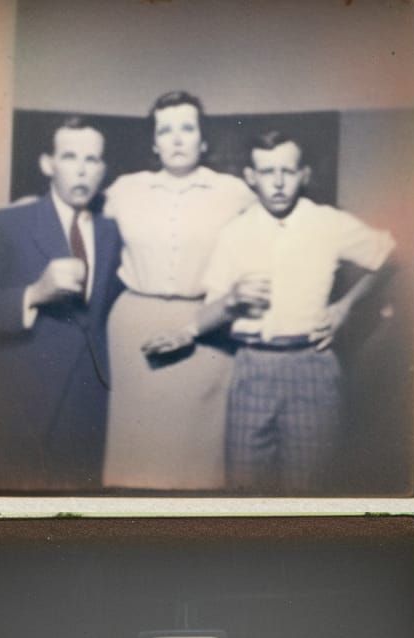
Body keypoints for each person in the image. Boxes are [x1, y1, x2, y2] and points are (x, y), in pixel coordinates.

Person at [157, 130, 395, 494]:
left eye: (288, 170)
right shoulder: (235, 233)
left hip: (312, 366)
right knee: (246, 494)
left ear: (304, 174)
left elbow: (391, 255)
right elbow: (210, 310)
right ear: (252, 177)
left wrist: (345, 307)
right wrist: (233, 298)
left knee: (311, 493)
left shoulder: (328, 223)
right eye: (268, 172)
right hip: (252, 366)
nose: (279, 182)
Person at [102, 91, 255, 491]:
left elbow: (265, 248)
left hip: (205, 325)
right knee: (136, 453)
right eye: (165, 130)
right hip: (133, 325)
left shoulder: (234, 192)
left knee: (197, 460)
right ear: (154, 142)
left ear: (203, 139)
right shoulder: (124, 191)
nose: (176, 139)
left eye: (187, 128)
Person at [0, 116, 123, 492]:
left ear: (103, 169)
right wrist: (34, 293)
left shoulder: (111, 232)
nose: (82, 170)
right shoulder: (2, 225)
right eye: (70, 157)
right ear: (47, 164)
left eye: (93, 159)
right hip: (20, 407)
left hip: (87, 408)